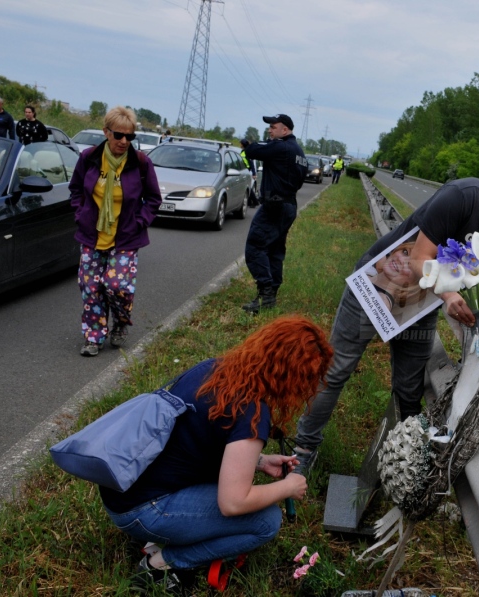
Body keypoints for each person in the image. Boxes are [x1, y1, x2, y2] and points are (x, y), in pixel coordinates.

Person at [291, 174, 479, 476]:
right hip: (379, 285)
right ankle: (304, 448)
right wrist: (449, 295)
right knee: (337, 369)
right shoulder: (463, 196)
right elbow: (419, 258)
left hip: (421, 305)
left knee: (410, 389)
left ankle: (399, 463)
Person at [99, 316, 334, 592]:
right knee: (266, 522)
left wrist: (258, 462)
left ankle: (167, 534)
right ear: (291, 378)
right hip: (140, 510)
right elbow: (232, 503)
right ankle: (163, 563)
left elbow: (196, 441)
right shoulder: (252, 414)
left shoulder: (213, 368)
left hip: (119, 487)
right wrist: (287, 487)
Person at [69, 106, 162, 357]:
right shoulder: (89, 157)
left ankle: (120, 322)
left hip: (126, 237)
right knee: (90, 287)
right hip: (92, 234)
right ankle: (93, 337)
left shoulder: (141, 163)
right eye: (119, 135)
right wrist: (80, 214)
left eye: (129, 137)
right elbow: (76, 189)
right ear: (106, 132)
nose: (124, 141)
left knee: (116, 286)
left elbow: (154, 199)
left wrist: (139, 222)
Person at [240, 114, 308, 314]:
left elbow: (252, 151)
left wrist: (247, 143)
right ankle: (271, 295)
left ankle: (266, 293)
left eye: (273, 127)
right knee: (275, 250)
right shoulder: (299, 153)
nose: (270, 130)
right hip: (289, 205)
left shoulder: (280, 147)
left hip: (274, 205)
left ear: (284, 130)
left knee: (255, 245)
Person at [239, 138, 259, 207]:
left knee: (249, 188)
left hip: (248, 171)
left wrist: (254, 173)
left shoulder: (247, 152)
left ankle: (255, 202)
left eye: (240, 143)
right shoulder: (243, 151)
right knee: (248, 188)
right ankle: (251, 202)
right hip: (245, 170)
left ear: (243, 144)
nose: (240, 144)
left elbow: (251, 163)